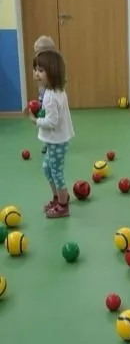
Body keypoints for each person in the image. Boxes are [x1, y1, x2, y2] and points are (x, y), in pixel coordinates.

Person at [31, 49, 75, 218]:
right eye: (35, 69)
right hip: (57, 139)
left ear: (53, 72)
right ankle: (58, 197)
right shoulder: (55, 91)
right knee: (47, 168)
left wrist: (37, 121)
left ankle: (63, 205)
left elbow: (52, 121)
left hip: (57, 140)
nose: (36, 73)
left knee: (56, 172)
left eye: (41, 70)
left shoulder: (50, 96)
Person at [33, 35, 57, 155]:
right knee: (44, 118)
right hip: (43, 96)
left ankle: (53, 142)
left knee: (50, 119)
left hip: (50, 99)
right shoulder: (39, 65)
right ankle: (47, 142)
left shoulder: (52, 67)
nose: (36, 56)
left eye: (39, 53)